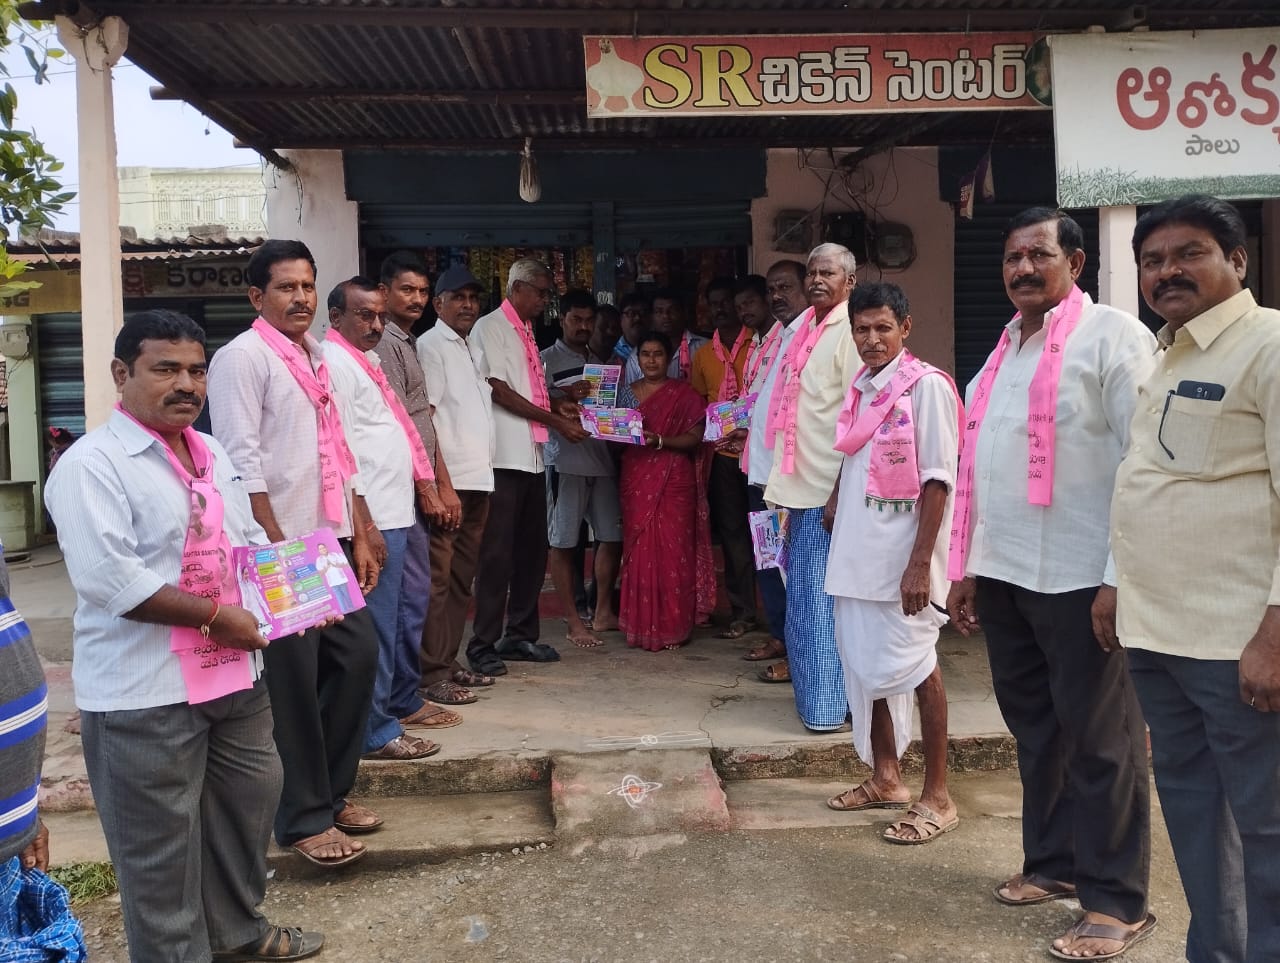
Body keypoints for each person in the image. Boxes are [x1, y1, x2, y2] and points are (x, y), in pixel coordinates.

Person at [45, 310, 318, 961]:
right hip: (146, 694)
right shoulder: (91, 465)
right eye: (166, 369)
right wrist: (220, 617)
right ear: (122, 373)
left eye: (197, 370)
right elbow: (113, 582)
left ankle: (237, 933)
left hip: (235, 680)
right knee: (159, 855)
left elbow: (243, 544)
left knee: (247, 812)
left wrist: (301, 595)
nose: (187, 384)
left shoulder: (212, 452)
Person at [946, 208, 1156, 960]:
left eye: (1038, 254)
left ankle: (1117, 901)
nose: (1022, 268)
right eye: (1012, 258)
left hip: (1080, 577)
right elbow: (983, 467)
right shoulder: (1004, 347)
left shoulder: (1113, 338)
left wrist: (1118, 577)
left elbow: (1142, 464)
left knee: (1102, 741)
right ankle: (1054, 862)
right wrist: (967, 567)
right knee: (1036, 731)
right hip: (1007, 575)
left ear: (1076, 262)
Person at [1102, 194, 1280, 963]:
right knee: (1196, 818)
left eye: (1189, 253)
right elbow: (1149, 481)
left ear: (1237, 260)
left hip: (1236, 644)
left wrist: (1274, 633)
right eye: (1152, 260)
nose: (1167, 271)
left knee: (1268, 828)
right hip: (1159, 639)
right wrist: (1117, 582)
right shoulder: (1166, 355)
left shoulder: (1269, 347)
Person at [207, 239, 381, 869]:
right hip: (276, 548)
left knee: (357, 659)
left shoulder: (318, 355)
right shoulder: (242, 358)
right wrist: (277, 551)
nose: (301, 297)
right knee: (295, 686)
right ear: (257, 296)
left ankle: (329, 793)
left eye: (307, 285)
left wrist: (360, 527)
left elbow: (340, 449)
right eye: (286, 287)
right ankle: (304, 817)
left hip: (325, 543)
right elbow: (240, 463)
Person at [823, 283, 961, 845]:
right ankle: (886, 778)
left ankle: (939, 796)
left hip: (903, 559)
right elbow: (854, 457)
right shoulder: (862, 386)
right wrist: (835, 497)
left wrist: (920, 564)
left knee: (918, 667)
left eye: (883, 328)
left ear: (905, 327)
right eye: (862, 329)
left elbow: (939, 480)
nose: (872, 339)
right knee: (865, 665)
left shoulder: (926, 387)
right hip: (857, 553)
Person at [323, 277, 455, 758]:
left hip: (399, 509)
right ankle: (375, 731)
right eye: (365, 315)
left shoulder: (368, 360)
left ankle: (398, 702)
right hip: (374, 516)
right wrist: (365, 526)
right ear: (335, 318)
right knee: (377, 626)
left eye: (380, 315)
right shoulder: (334, 363)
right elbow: (340, 449)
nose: (376, 324)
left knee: (404, 613)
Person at [467, 259, 587, 675]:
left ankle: (520, 634)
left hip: (533, 455)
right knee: (496, 555)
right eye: (540, 291)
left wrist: (558, 401)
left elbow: (527, 388)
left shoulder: (527, 330)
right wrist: (555, 420)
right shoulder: (491, 327)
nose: (545, 300)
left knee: (532, 552)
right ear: (517, 288)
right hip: (503, 456)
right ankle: (482, 644)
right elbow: (498, 390)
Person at [762, 243, 858, 732]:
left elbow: (859, 418)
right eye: (813, 273)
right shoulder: (806, 330)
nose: (817, 280)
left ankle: (827, 710)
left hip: (827, 493)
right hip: (797, 490)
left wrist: (841, 491)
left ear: (849, 282)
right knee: (802, 602)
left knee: (818, 606)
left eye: (828, 273)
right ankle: (820, 702)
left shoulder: (851, 332)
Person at [374, 253, 474, 711]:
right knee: (415, 591)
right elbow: (405, 422)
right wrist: (431, 488)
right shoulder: (385, 343)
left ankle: (416, 684)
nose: (415, 299)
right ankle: (412, 690)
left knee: (422, 589)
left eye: (421, 291)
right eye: (406, 290)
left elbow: (420, 422)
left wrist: (438, 483)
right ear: (384, 292)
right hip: (401, 490)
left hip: (419, 482)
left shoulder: (406, 341)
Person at [416, 266, 500, 699]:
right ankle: (431, 673)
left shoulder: (470, 347)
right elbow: (426, 419)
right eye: (458, 297)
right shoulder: (431, 345)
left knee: (461, 579)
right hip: (451, 483)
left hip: (477, 479)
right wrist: (439, 485)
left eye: (473, 297)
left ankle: (447, 661)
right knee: (440, 579)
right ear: (438, 304)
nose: (468, 305)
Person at [728, 260, 808, 675]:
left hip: (786, 477)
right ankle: (781, 634)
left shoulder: (803, 337)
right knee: (770, 557)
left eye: (785, 288)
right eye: (773, 289)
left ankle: (798, 651)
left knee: (792, 565)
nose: (777, 297)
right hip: (758, 471)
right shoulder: (762, 343)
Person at [618, 332, 714, 651]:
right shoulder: (627, 393)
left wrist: (660, 441)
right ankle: (641, 626)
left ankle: (674, 626)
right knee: (640, 549)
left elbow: (696, 436)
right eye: (645, 354)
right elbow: (616, 434)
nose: (651, 360)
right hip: (637, 477)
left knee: (675, 552)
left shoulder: (684, 395)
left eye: (658, 354)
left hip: (675, 479)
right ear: (637, 359)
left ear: (668, 358)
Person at [542, 289, 622, 649]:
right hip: (565, 461)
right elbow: (533, 402)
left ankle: (602, 611)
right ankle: (574, 620)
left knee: (612, 537)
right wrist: (562, 396)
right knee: (563, 542)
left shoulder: (603, 362)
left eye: (589, 320)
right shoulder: (545, 360)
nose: (583, 326)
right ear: (562, 319)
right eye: (576, 319)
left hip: (602, 461)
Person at [691, 275, 757, 639]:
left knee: (766, 528)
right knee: (733, 533)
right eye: (712, 303)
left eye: (725, 302)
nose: (718, 309)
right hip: (722, 456)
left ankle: (777, 608)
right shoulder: (703, 355)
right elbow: (699, 403)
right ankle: (742, 611)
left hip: (758, 454)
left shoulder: (759, 344)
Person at [622, 288, 707, 384]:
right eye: (659, 311)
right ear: (651, 316)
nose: (665, 316)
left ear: (684, 313)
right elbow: (632, 391)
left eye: (672, 310)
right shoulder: (637, 356)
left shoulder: (705, 348)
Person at [611, 292, 650, 365]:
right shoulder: (611, 352)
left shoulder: (659, 349)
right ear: (620, 318)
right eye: (631, 313)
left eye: (642, 313)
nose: (637, 318)